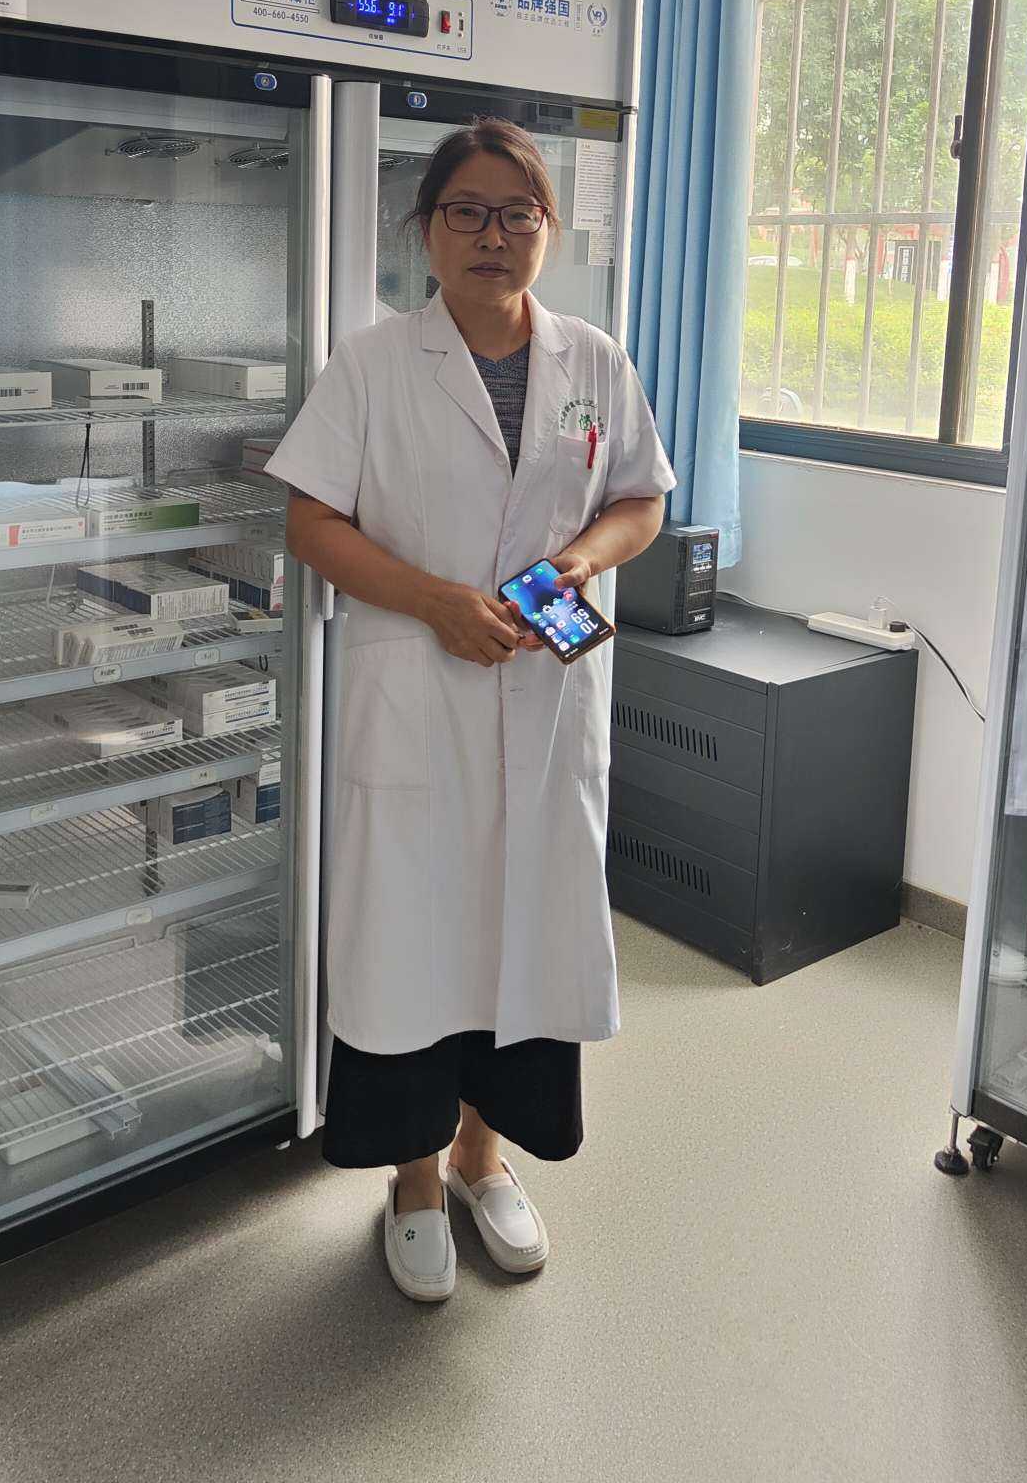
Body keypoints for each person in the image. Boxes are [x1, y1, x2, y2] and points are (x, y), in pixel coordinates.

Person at [266, 117, 674, 1301]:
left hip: (544, 701)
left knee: (523, 941)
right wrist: (434, 601)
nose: (493, 234)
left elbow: (641, 498)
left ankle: (484, 1160)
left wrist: (584, 558)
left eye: (518, 213)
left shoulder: (593, 360)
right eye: (467, 211)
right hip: (419, 701)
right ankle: (413, 1180)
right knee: (416, 945)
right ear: (428, 230)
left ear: (550, 228)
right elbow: (311, 521)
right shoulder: (372, 364)